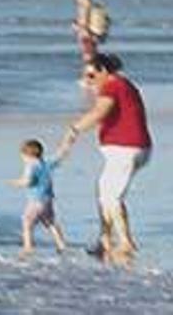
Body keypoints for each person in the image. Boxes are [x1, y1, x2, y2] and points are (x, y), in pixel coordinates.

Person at [57, 53, 151, 260]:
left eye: (91, 76)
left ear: (103, 71)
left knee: (111, 196)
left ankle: (126, 242)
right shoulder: (120, 85)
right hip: (126, 148)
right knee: (104, 192)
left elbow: (101, 112)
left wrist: (74, 130)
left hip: (127, 148)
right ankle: (106, 239)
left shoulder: (113, 85)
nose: (88, 81)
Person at [7, 139, 66, 257]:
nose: (23, 160)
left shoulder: (31, 166)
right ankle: (61, 244)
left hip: (35, 201)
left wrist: (16, 183)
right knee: (50, 222)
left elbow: (28, 182)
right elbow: (60, 156)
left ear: (26, 155)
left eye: (23, 156)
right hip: (48, 200)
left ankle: (28, 247)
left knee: (27, 222)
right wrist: (66, 143)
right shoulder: (46, 163)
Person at [72, 0, 98, 64]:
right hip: (90, 34)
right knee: (91, 54)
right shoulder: (91, 5)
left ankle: (91, 71)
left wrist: (76, 25)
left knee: (88, 56)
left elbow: (84, 23)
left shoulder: (85, 6)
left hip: (86, 34)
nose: (77, 2)